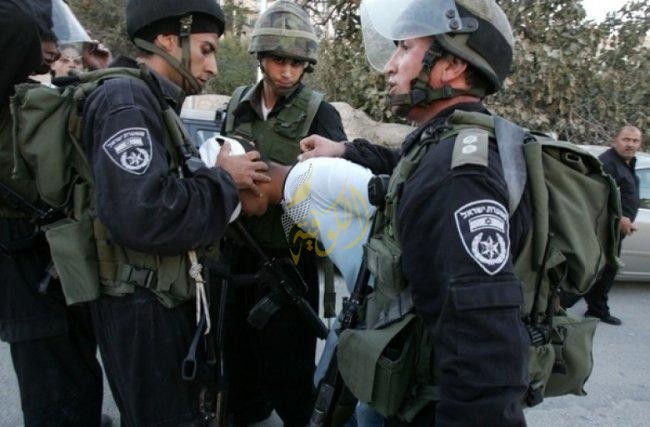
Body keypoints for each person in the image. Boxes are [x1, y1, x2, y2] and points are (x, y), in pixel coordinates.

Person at [300, 0, 530, 425]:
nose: (390, 66)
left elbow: (485, 346)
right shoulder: (444, 144)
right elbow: (403, 164)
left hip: (421, 405)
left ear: (451, 66)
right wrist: (344, 150)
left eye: (404, 48)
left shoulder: (461, 176)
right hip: (402, 384)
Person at [80, 0, 270, 425]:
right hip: (144, 307)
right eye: (206, 49)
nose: (213, 67)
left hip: (156, 298)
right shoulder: (126, 101)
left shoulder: (147, 98)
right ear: (168, 40)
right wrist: (225, 179)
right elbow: (145, 214)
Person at [220, 1, 347, 425]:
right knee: (236, 353)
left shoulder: (319, 112)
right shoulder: (237, 103)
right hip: (238, 251)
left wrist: (287, 185)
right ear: (261, 57)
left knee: (288, 365)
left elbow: (339, 180)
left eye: (297, 63)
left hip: (289, 258)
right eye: (279, 60)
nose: (288, 71)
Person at [0, 0, 106, 425]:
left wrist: (98, 69)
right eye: (42, 37)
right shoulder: (8, 85)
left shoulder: (24, 88)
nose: (54, 48)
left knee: (74, 354)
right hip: (21, 251)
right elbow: (12, 19)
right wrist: (32, 22)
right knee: (49, 368)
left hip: (52, 246)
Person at [562, 126, 643, 325]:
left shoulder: (628, 164)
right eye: (626, 139)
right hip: (602, 230)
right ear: (615, 141)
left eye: (634, 141)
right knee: (592, 272)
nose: (630, 144)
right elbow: (594, 197)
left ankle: (597, 309)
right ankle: (556, 306)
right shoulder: (607, 164)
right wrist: (620, 218)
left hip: (614, 232)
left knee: (606, 272)